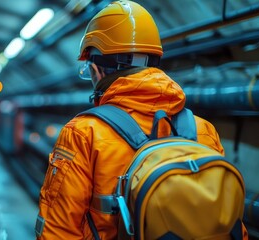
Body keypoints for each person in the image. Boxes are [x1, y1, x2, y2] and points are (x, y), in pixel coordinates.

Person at [34, 1, 248, 239]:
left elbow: (57, 230)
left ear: (96, 70)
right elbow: (231, 222)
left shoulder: (83, 133)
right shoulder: (203, 130)